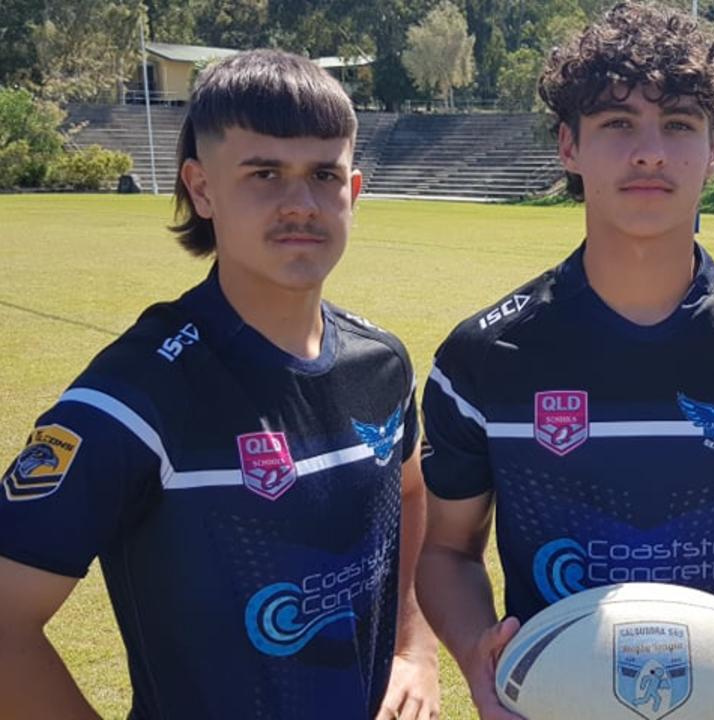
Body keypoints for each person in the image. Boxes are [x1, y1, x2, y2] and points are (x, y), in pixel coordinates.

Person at [416, 4, 714, 719]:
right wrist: (476, 657)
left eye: (678, 124)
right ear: (568, 146)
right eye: (618, 124)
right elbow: (449, 553)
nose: (649, 152)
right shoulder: (485, 357)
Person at [0, 50, 439, 720]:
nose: (300, 203)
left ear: (353, 192)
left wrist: (415, 646)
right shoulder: (133, 398)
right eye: (264, 173)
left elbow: (408, 487)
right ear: (202, 189)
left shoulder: (381, 364)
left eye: (322, 175)